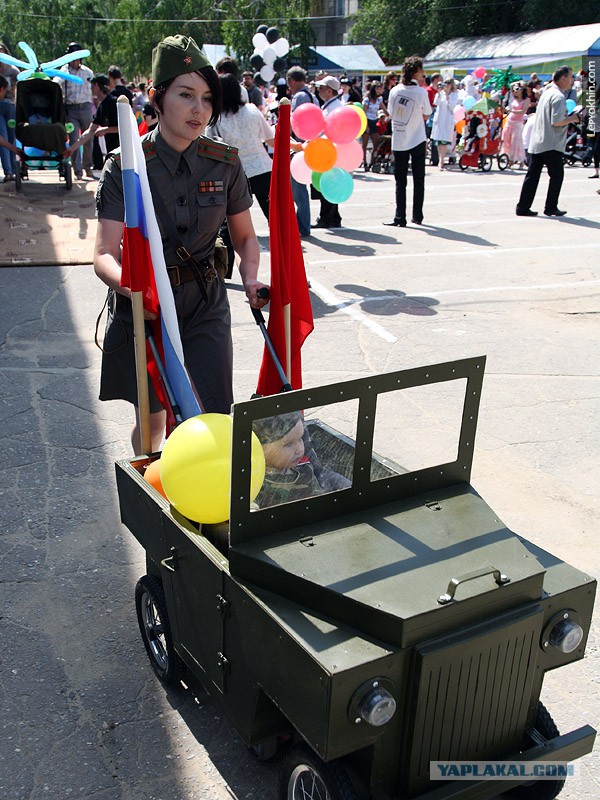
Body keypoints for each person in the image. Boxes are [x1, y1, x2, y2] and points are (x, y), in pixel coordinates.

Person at [93, 35, 268, 453]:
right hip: (145, 305)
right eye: (186, 95)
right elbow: (103, 255)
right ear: (157, 97)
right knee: (153, 424)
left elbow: (245, 236)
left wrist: (250, 279)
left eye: (207, 98)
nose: (199, 109)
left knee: (211, 418)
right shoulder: (127, 165)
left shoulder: (224, 161)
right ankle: (154, 498)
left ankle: (205, 511)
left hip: (205, 300)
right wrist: (135, 290)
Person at [516, 66, 581, 218]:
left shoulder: (547, 92)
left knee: (532, 176)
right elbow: (557, 121)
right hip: (551, 143)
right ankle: (551, 207)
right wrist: (574, 118)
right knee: (557, 175)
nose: (572, 80)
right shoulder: (558, 96)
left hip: (537, 140)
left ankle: (523, 207)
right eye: (571, 77)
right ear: (563, 79)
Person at [206, 74, 274, 220]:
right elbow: (270, 138)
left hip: (235, 174)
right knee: (274, 216)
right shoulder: (252, 110)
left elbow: (209, 146)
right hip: (262, 167)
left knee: (236, 222)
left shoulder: (216, 118)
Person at [252, 412, 350, 508]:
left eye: (300, 439)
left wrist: (346, 486)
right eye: (288, 444)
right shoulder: (256, 486)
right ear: (261, 449)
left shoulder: (305, 468)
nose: (299, 449)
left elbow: (325, 477)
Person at [384, 56, 432, 228]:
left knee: (400, 181)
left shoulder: (395, 91)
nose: (423, 74)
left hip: (399, 139)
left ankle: (399, 217)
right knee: (419, 179)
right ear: (415, 72)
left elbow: (391, 112)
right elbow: (427, 114)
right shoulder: (421, 92)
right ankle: (417, 216)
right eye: (421, 71)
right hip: (417, 138)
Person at [65, 76, 132, 163]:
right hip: (112, 152)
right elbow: (90, 130)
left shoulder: (113, 103)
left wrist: (105, 130)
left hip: (124, 151)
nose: (90, 88)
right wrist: (72, 148)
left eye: (91, 85)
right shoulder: (101, 106)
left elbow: (125, 127)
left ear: (96, 85)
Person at [53, 42, 94, 179]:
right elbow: (57, 81)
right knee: (74, 140)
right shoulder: (65, 71)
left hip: (85, 107)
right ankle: (77, 171)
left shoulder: (88, 72)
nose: (75, 61)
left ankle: (87, 166)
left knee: (88, 139)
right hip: (71, 109)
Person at [287, 66, 319, 236]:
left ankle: (302, 227)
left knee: (298, 190)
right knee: (301, 188)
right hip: (310, 145)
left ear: (292, 80)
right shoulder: (312, 96)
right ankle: (303, 225)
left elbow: (294, 122)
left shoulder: (299, 97)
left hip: (298, 147)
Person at [311, 75, 343, 229]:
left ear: (329, 91)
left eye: (322, 88)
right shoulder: (331, 106)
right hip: (328, 149)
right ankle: (332, 216)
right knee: (328, 184)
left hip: (331, 150)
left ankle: (327, 217)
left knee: (329, 184)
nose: (319, 90)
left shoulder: (334, 108)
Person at [501, 82, 530, 168]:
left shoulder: (526, 100)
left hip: (518, 122)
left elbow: (523, 112)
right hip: (510, 121)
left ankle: (517, 160)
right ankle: (508, 157)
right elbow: (510, 85)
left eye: (517, 89)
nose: (515, 91)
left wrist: (511, 111)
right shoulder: (514, 99)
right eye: (514, 90)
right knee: (506, 139)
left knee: (516, 141)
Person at [431, 78, 457, 170]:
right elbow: (435, 103)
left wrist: (447, 96)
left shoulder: (454, 94)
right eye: (445, 83)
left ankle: (441, 161)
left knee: (445, 140)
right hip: (439, 119)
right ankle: (439, 159)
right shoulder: (440, 93)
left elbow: (452, 106)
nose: (446, 85)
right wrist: (438, 93)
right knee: (439, 140)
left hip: (447, 119)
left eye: (448, 83)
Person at [361, 81, 385, 168]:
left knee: (376, 143)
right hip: (367, 121)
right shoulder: (367, 100)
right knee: (365, 144)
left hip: (374, 121)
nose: (380, 90)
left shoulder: (379, 100)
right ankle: (364, 162)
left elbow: (384, 110)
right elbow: (363, 113)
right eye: (378, 88)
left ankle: (372, 161)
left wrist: (389, 116)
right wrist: (366, 125)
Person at [425, 73, 442, 166]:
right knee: (427, 137)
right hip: (429, 116)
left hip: (437, 116)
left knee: (435, 137)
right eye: (440, 79)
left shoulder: (439, 91)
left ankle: (435, 158)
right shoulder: (428, 90)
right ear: (435, 79)